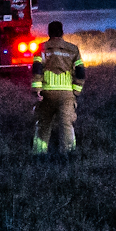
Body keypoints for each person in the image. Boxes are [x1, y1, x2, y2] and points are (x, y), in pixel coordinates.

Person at [29, 20, 85, 154]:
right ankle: (69, 154)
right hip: (66, 94)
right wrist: (76, 91)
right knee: (67, 125)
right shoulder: (73, 49)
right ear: (62, 32)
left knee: (43, 124)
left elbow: (37, 70)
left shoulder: (41, 48)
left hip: (47, 94)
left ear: (49, 33)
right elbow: (80, 71)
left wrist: (37, 90)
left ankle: (39, 154)